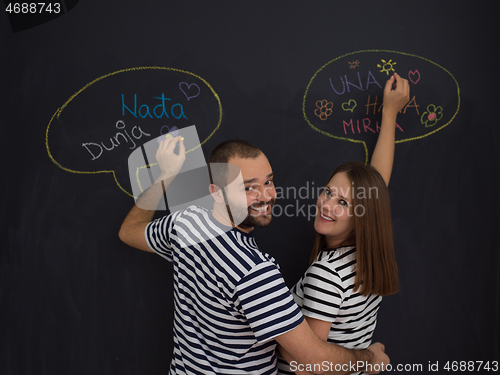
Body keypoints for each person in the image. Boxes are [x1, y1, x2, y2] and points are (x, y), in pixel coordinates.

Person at [118, 73, 407, 375]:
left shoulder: (185, 225)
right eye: (248, 187)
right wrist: (370, 359)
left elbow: (129, 231)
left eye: (268, 181)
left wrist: (165, 176)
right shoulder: (256, 273)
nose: (266, 195)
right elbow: (310, 360)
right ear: (216, 193)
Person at [277, 73, 410, 375]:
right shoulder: (366, 256)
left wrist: (277, 330)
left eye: (343, 203)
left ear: (363, 214)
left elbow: (306, 365)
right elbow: (377, 186)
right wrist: (389, 114)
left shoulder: (326, 273)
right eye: (327, 192)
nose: (326, 205)